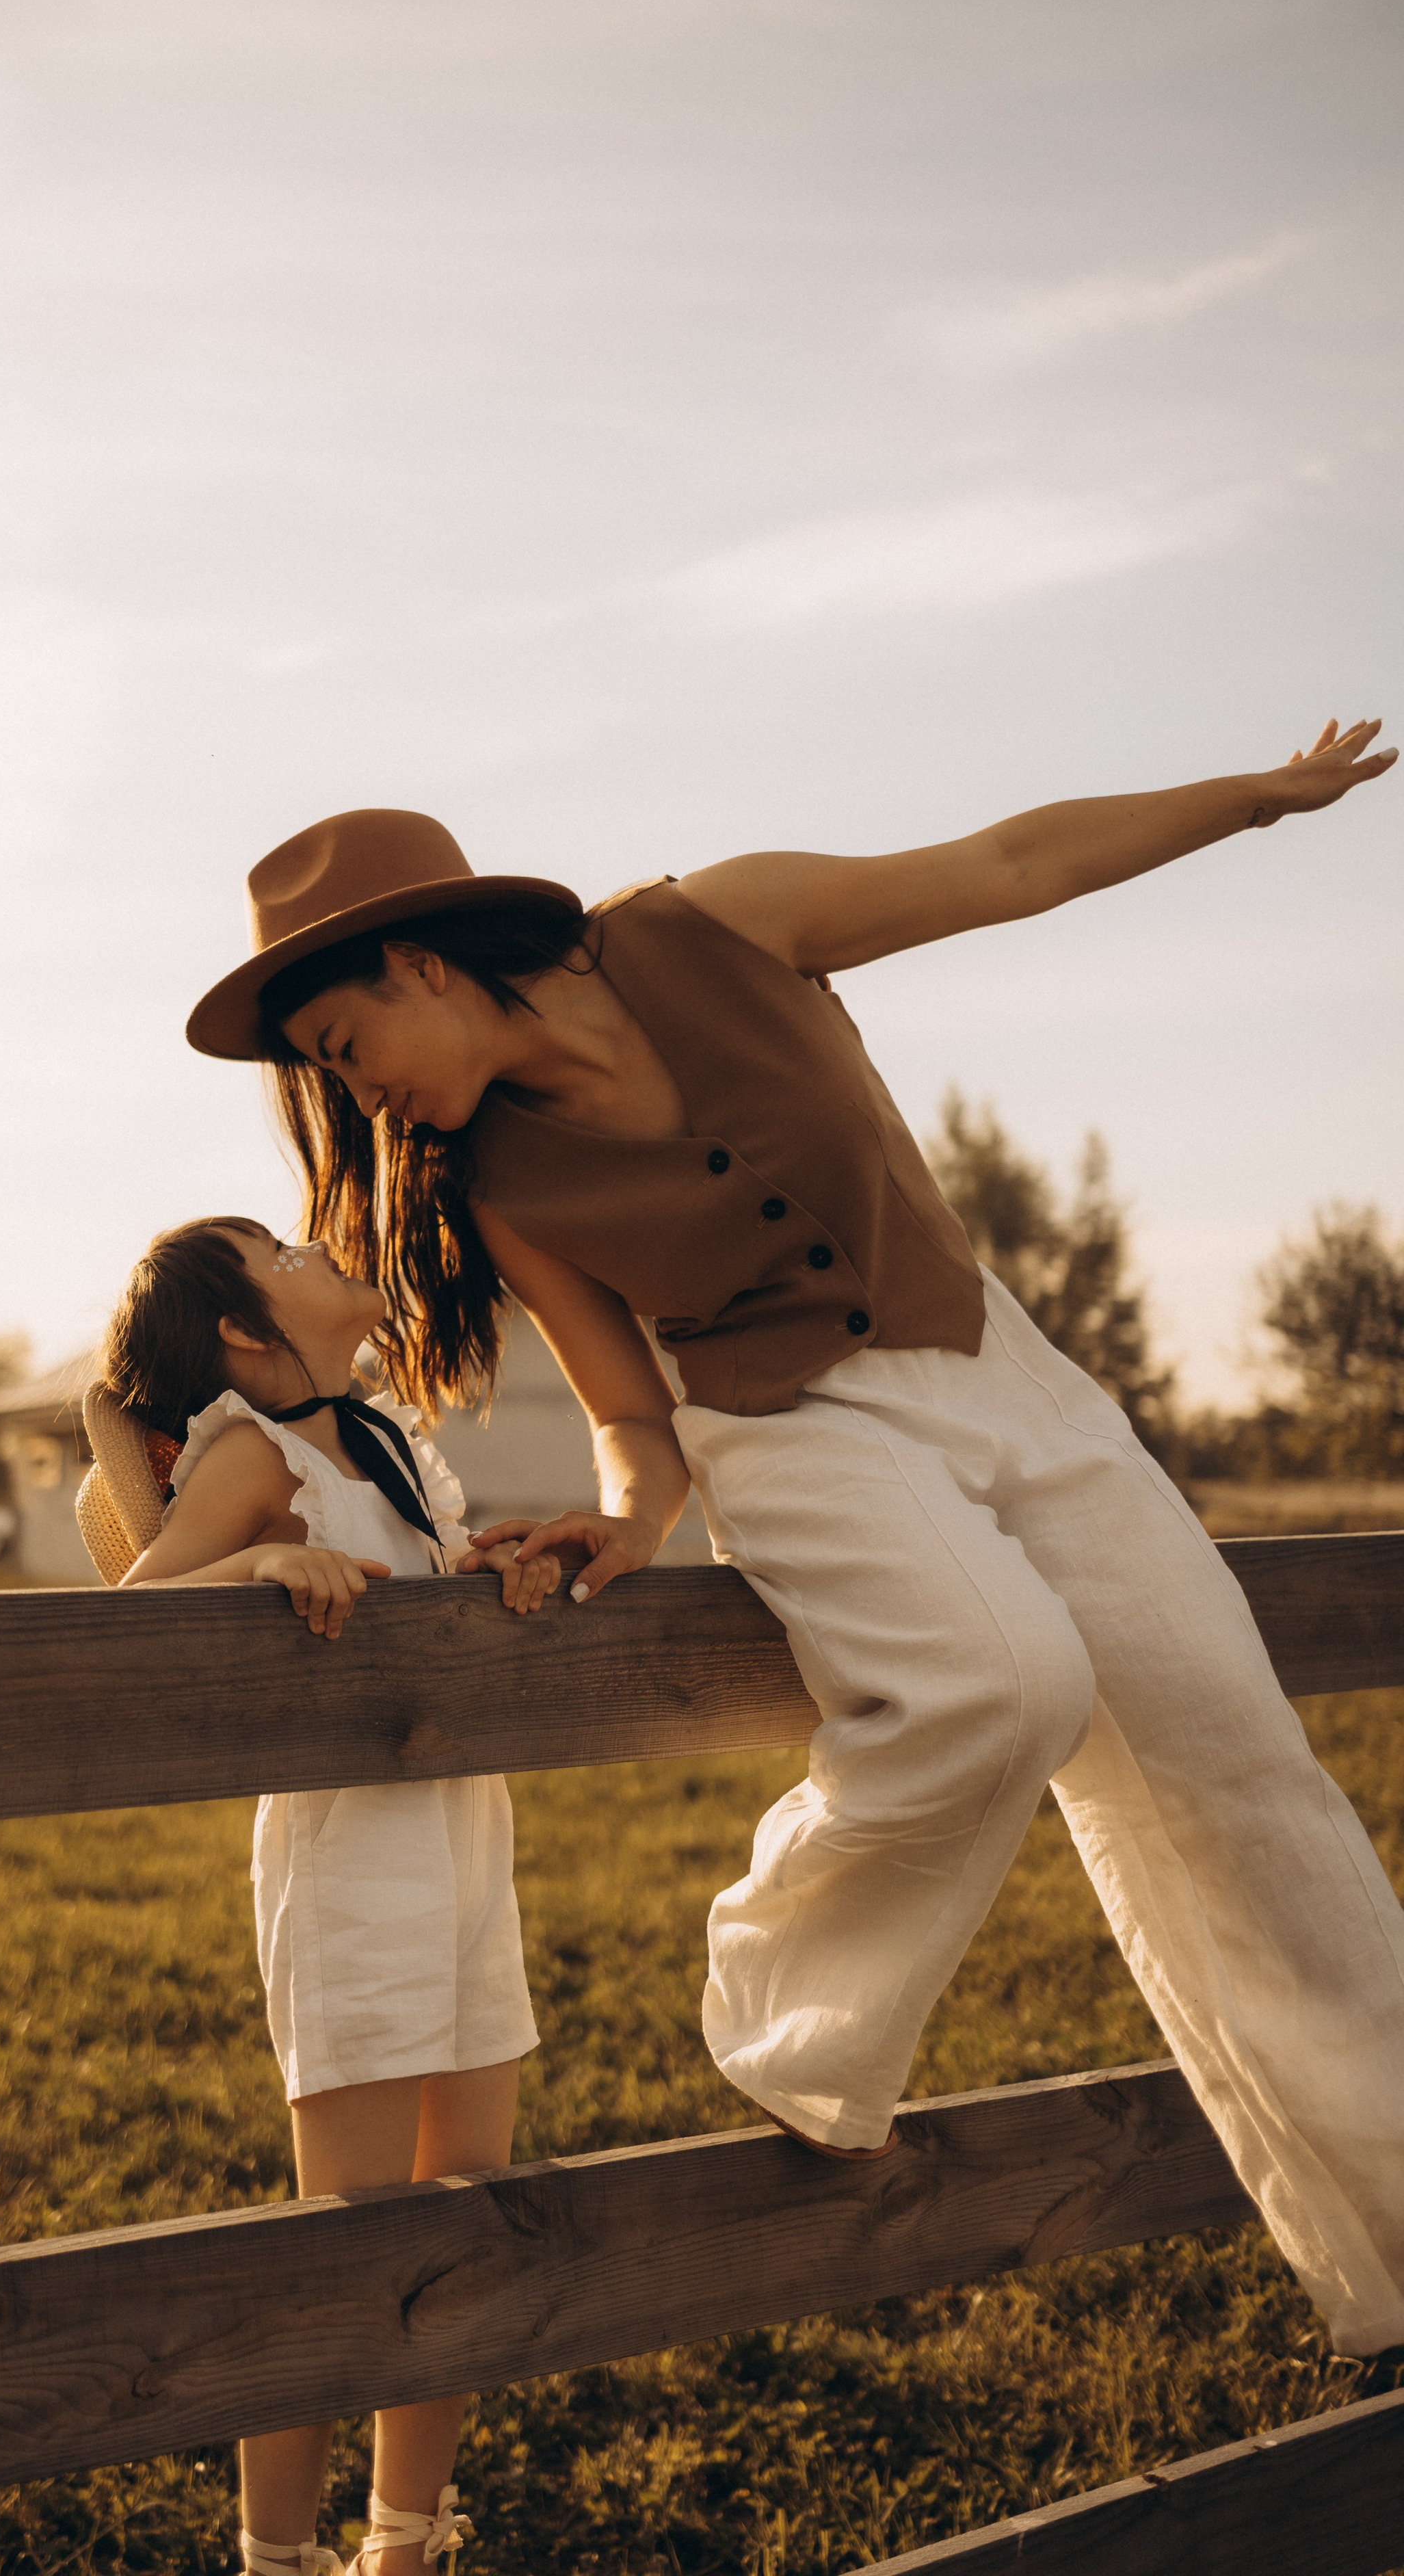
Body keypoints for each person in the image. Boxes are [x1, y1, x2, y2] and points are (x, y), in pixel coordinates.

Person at [180, 720, 1404, 2361]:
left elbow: (1005, 865)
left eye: (346, 1045)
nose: (356, 1092)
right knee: (1000, 1685)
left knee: (1240, 1774)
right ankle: (780, 1998)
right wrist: (630, 1517)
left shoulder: (719, 924)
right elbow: (631, 1408)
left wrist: (1251, 798)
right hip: (789, 1430)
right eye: (328, 1076)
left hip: (1000, 1372)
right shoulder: (499, 1181)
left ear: (420, 961)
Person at [76, 1214, 558, 2576]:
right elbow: (132, 1609)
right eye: (280, 1252)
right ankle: (276, 2555)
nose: (317, 1247)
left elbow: (412, 1596)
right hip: (351, 1870)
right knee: (339, 2247)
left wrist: (484, 1575)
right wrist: (254, 1565)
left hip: (465, 1845)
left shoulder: (383, 1438)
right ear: (242, 1332)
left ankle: (407, 2539)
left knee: (464, 2216)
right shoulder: (252, 1454)